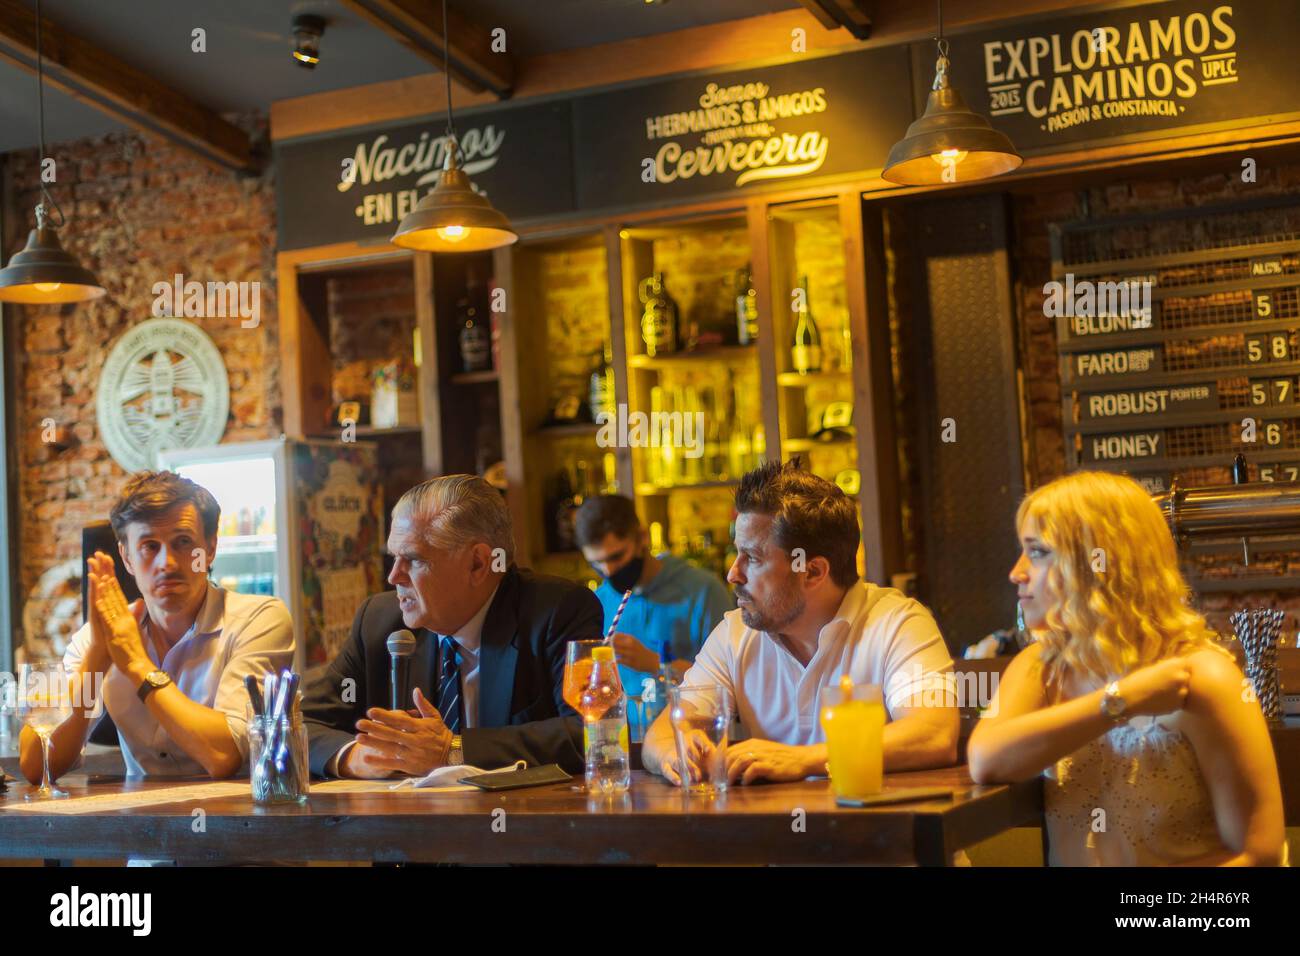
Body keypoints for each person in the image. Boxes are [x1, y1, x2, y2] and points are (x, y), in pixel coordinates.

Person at [968, 471, 1286, 866]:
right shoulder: (1042, 667)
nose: (1016, 571)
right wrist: (1123, 700)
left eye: (1037, 552)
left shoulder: (1205, 677)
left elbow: (1261, 853)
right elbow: (986, 759)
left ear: (1097, 561)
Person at [642, 460, 959, 786]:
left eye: (752, 558)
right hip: (772, 831)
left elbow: (934, 733)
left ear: (812, 572)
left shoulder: (898, 623)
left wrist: (803, 760)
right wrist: (674, 754)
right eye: (736, 554)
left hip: (874, 829)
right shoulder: (735, 633)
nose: (732, 573)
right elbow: (661, 735)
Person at [303, 474, 604, 778]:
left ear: (478, 563)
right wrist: (356, 756)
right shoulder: (378, 621)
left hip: (518, 819)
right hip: (408, 821)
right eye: (394, 557)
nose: (394, 576)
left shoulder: (558, 611)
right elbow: (301, 723)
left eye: (414, 559)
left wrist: (453, 750)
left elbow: (592, 731)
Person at [19, 471, 294, 782]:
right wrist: (99, 654)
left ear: (210, 549)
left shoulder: (259, 620)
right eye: (150, 546)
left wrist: (136, 664)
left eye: (183, 542)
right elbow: (35, 765)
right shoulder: (96, 637)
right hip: (142, 823)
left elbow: (224, 756)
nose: (168, 563)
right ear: (126, 558)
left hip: (244, 820)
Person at [575, 494, 732, 697]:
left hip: (687, 725)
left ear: (642, 537)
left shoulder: (704, 591)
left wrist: (655, 664)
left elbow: (728, 681)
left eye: (617, 556)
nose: (608, 571)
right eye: (596, 563)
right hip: (622, 728)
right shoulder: (597, 603)